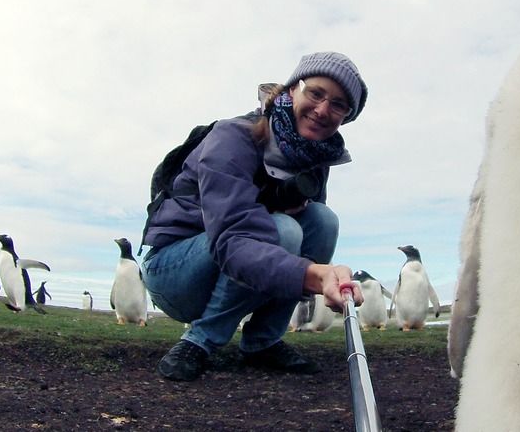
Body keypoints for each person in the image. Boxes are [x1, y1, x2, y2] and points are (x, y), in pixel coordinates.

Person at [141, 51, 367, 381]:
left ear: (345, 117)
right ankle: (200, 339)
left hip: (235, 269)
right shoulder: (234, 137)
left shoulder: (316, 157)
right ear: (292, 90)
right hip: (175, 271)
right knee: (284, 230)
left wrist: (317, 271)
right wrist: (316, 275)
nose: (322, 110)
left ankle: (262, 340)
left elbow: (306, 235)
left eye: (338, 104)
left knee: (322, 221)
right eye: (315, 93)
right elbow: (233, 239)